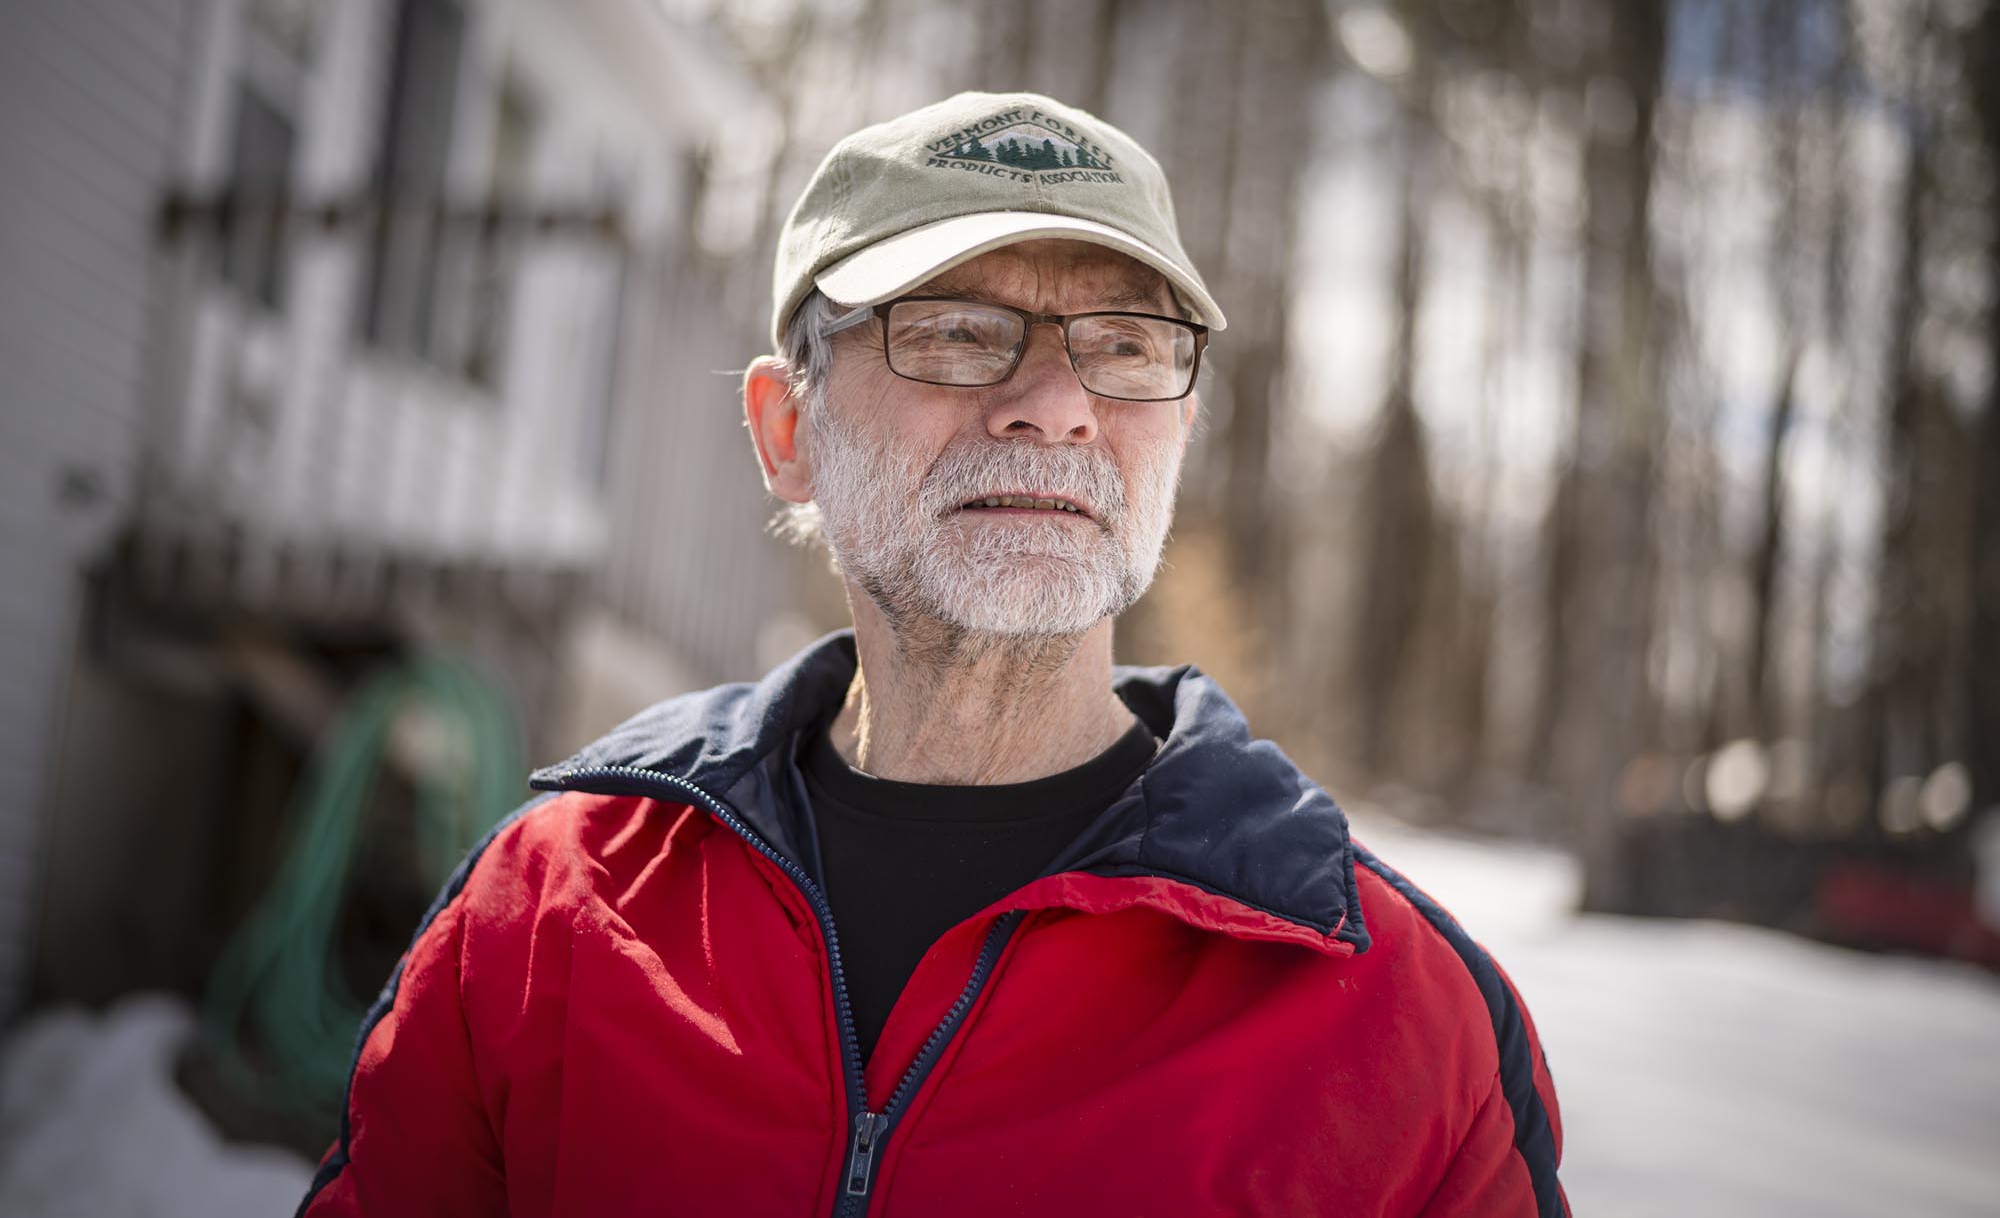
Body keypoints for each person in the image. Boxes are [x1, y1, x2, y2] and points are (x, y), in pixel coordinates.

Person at [297, 91, 1567, 1217]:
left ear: (1178, 429)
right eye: (957, 330)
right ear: (785, 428)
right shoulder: (550, 916)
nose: (1055, 402)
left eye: (1124, 344)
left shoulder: (1396, 1015)